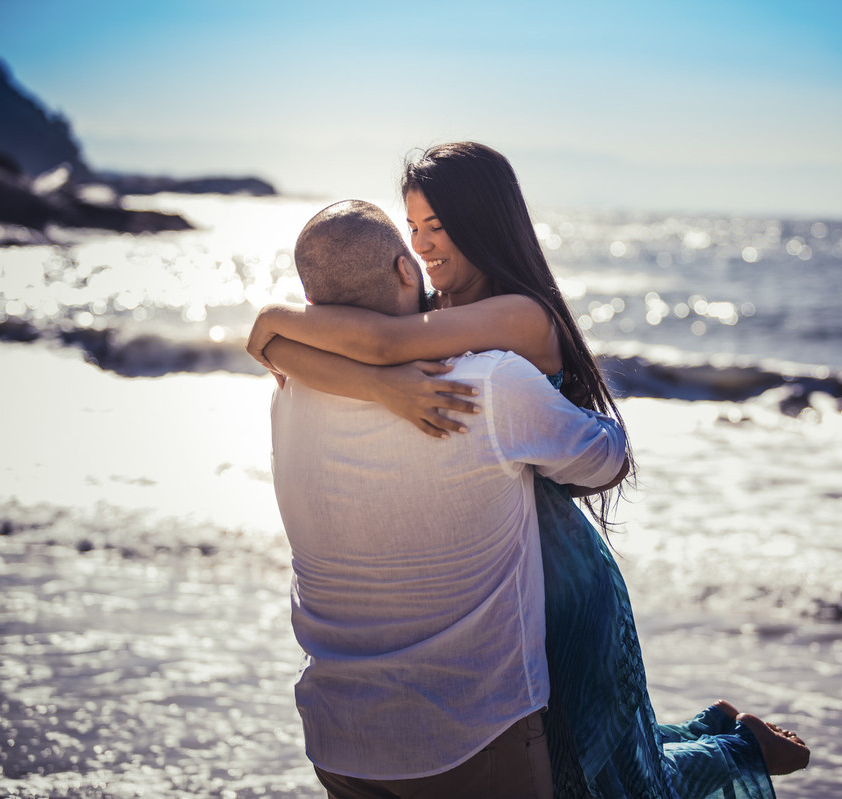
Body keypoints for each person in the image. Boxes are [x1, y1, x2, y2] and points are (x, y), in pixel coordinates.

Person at [250, 143, 809, 798]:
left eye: (440, 225)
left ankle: (735, 747)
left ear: (484, 220)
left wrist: (285, 330)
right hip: (493, 553)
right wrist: (381, 389)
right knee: (588, 761)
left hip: (552, 561)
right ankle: (718, 730)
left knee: (610, 773)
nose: (426, 246)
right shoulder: (429, 309)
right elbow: (292, 349)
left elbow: (378, 342)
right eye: (416, 228)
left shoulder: (518, 316)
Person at [269, 198, 630, 799]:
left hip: (339, 736)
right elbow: (604, 461)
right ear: (407, 271)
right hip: (469, 735)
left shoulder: (288, 393)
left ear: (311, 304)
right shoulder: (489, 383)